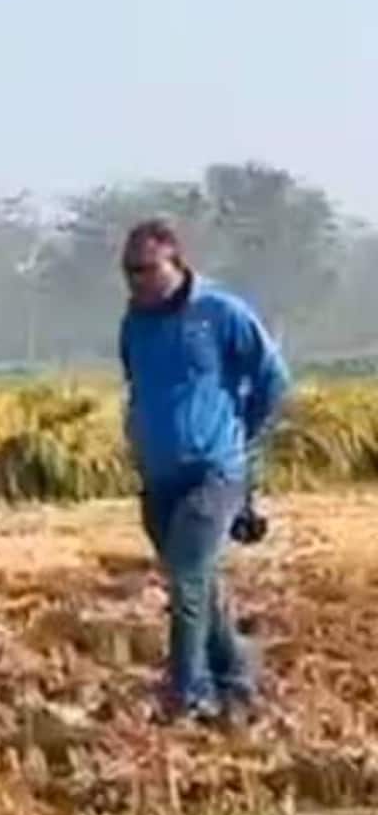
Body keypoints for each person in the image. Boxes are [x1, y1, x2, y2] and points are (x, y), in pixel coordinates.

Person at [117, 218, 291, 724]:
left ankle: (186, 693)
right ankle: (237, 681)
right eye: (128, 271)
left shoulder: (220, 313)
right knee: (194, 581)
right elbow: (140, 387)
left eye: (145, 269)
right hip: (159, 477)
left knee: (188, 579)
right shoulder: (135, 323)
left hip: (214, 471)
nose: (135, 281)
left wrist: (242, 442)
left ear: (175, 261)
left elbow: (272, 381)